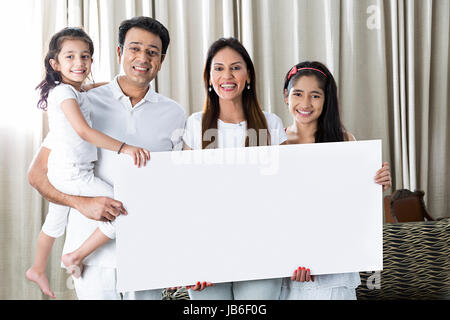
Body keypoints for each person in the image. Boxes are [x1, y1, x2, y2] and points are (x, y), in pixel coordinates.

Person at [26, 16, 186, 300]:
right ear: (119, 52)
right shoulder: (82, 100)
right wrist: (80, 203)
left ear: (161, 60)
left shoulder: (174, 114)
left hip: (146, 254)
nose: (143, 58)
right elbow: (37, 174)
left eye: (152, 52)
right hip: (92, 261)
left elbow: (174, 186)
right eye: (134, 48)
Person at [182, 37, 287, 300]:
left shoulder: (271, 124)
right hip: (206, 252)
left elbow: (288, 189)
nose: (227, 75)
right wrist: (189, 257)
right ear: (208, 77)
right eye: (218, 68)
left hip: (262, 250)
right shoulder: (195, 124)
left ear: (248, 74)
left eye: (236, 67)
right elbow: (185, 195)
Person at [279, 61, 391, 300]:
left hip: (334, 273)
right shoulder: (275, 145)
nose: (306, 103)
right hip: (288, 273)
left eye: (315, 95)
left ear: (326, 100)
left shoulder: (344, 142)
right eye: (298, 93)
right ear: (286, 97)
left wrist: (377, 184)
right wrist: (291, 258)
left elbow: (355, 206)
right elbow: (275, 212)